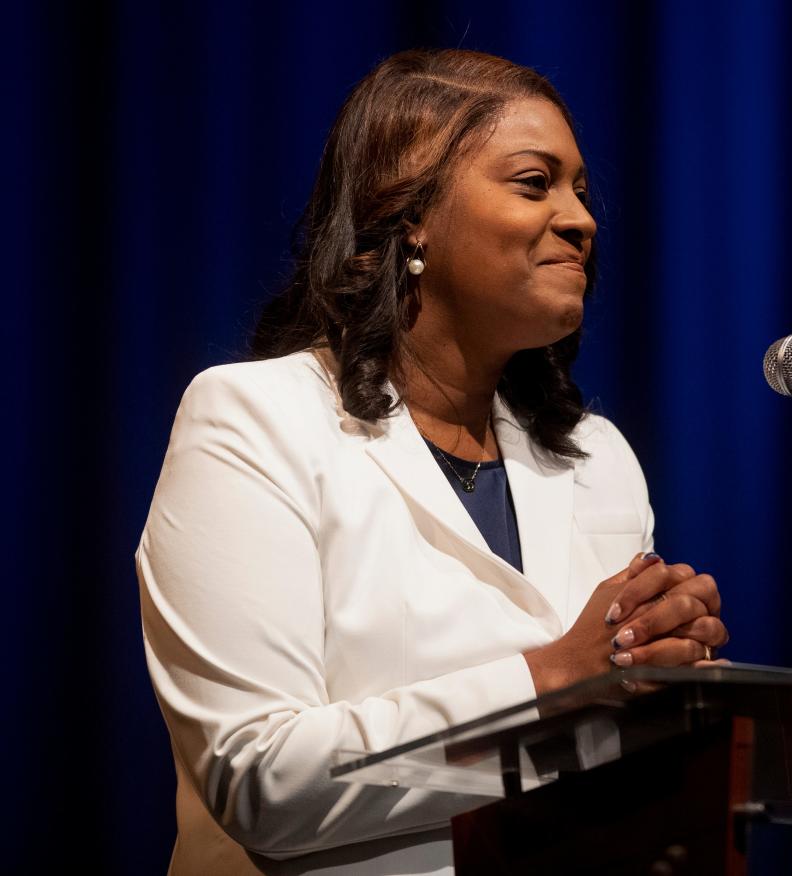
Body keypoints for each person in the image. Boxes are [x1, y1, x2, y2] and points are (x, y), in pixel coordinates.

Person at [137, 48, 729, 875]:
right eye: (535, 182)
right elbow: (259, 780)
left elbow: (605, 740)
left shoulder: (598, 458)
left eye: (583, 192)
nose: (581, 220)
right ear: (409, 213)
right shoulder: (255, 419)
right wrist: (554, 679)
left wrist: (676, 679)